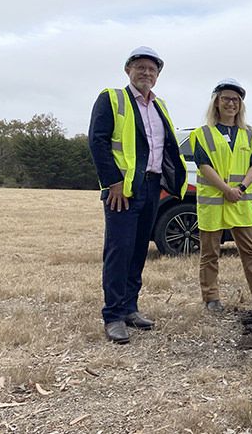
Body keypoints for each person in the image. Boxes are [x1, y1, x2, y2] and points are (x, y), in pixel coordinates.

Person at [88, 46, 188, 344]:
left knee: (138, 250)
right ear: (127, 70)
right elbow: (97, 142)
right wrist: (113, 182)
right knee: (119, 250)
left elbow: (163, 146)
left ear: (157, 75)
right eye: (140, 67)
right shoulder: (112, 98)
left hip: (152, 187)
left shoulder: (160, 106)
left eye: (152, 69)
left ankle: (130, 308)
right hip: (123, 190)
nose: (146, 73)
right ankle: (113, 316)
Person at [190, 79, 252, 312]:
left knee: (250, 251)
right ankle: (211, 297)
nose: (231, 103)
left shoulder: (250, 134)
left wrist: (240, 188)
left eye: (235, 100)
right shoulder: (202, 134)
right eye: (226, 99)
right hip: (213, 202)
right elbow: (203, 165)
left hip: (240, 201)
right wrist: (226, 189)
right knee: (210, 253)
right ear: (216, 102)